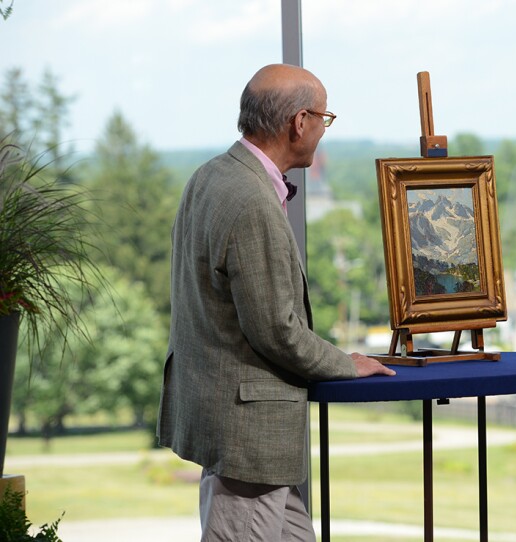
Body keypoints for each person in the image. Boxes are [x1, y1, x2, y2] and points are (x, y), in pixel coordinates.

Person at [157, 64, 396, 542]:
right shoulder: (250, 200)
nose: (323, 132)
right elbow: (276, 329)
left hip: (234, 428)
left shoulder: (209, 177)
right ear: (298, 122)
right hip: (250, 435)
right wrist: (344, 363)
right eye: (325, 120)